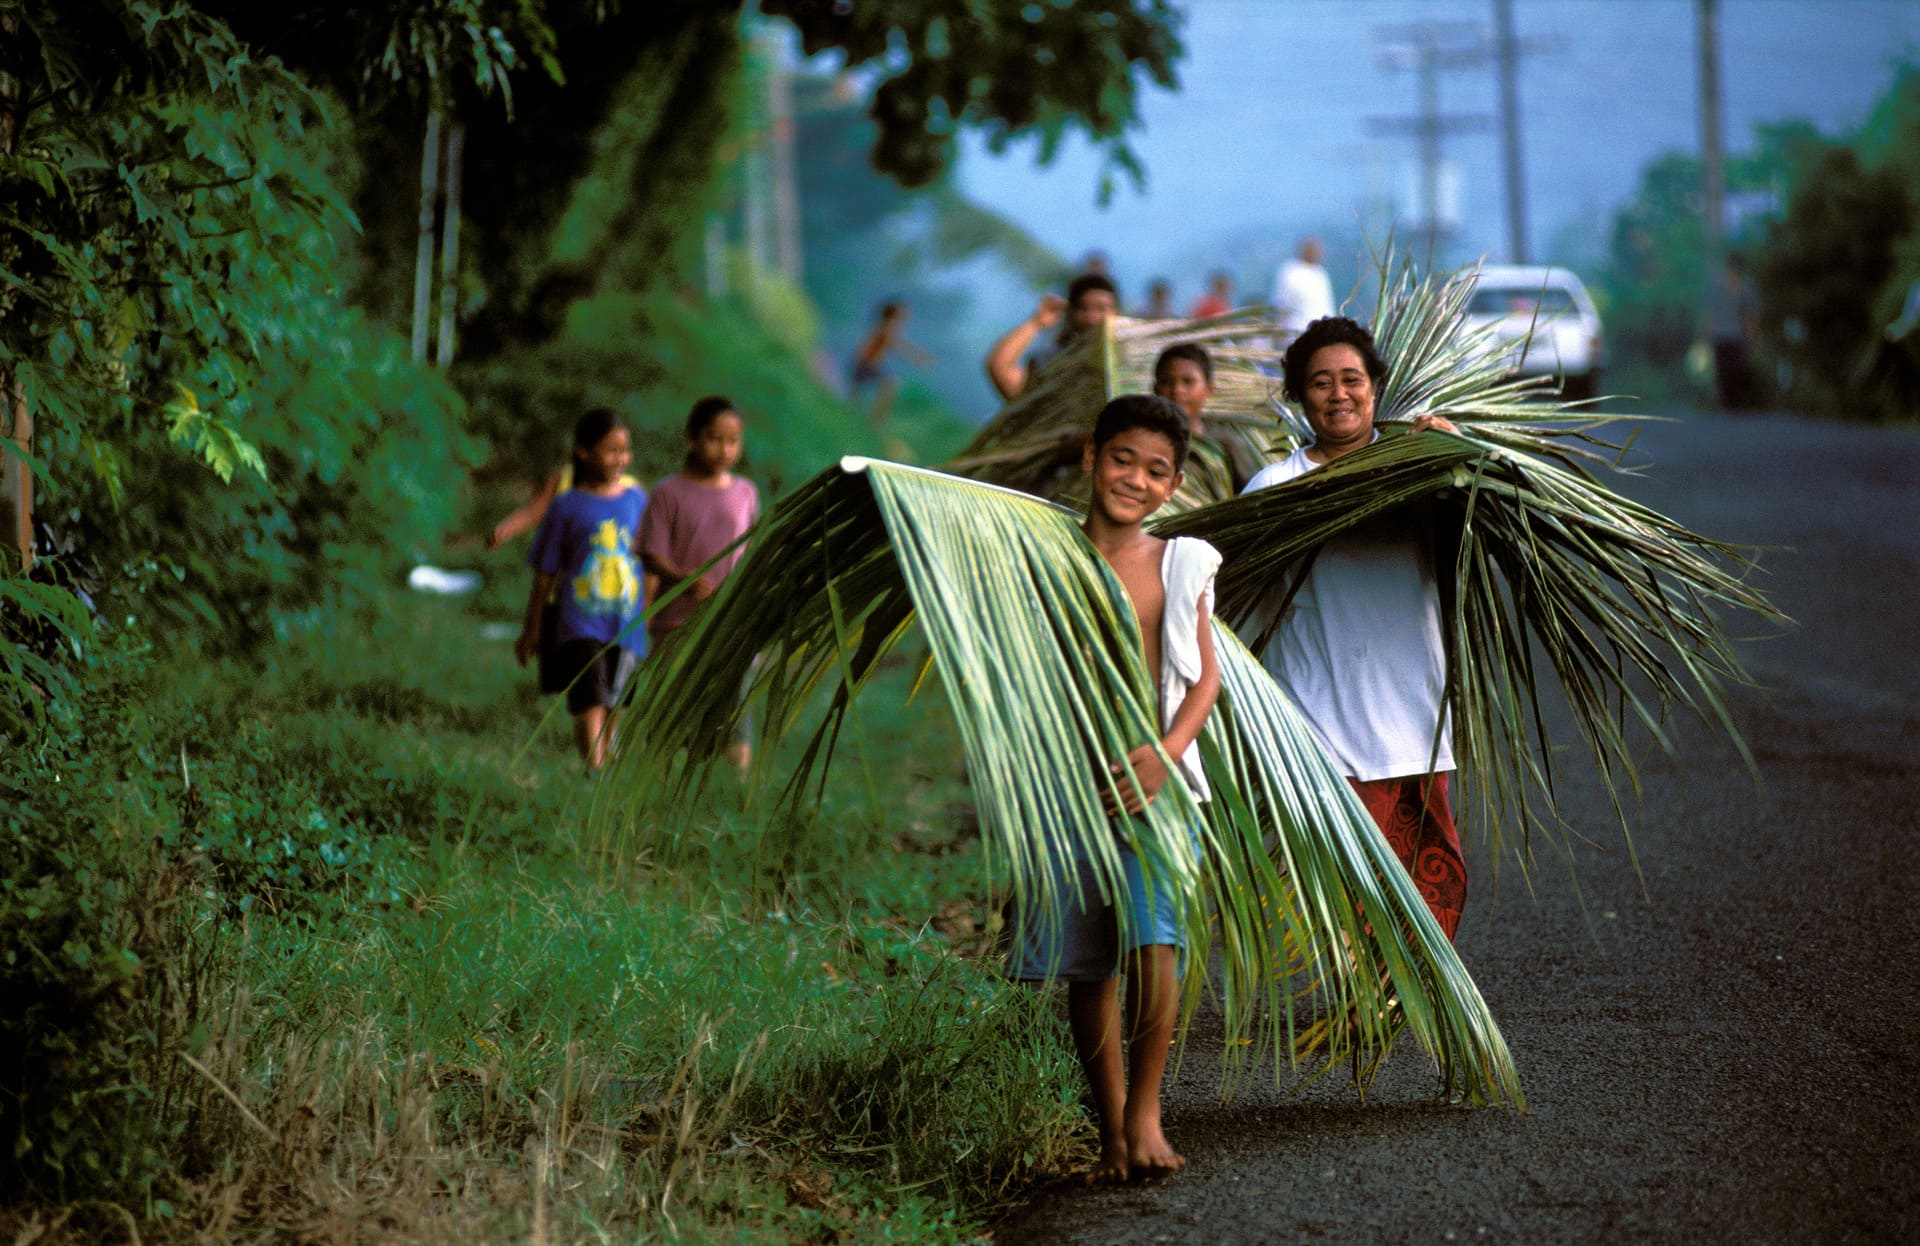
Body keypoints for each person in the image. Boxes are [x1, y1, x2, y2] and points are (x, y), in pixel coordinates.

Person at [1013, 394, 1222, 1184]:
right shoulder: (1042, 555)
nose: (1136, 479)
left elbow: (1204, 680)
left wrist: (1163, 756)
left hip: (1156, 780)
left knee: (1155, 939)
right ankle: (1108, 1133)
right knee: (1091, 964)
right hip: (1068, 783)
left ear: (1172, 486)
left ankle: (1146, 1112)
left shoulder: (1180, 560)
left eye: (1157, 470)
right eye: (1124, 459)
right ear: (1093, 456)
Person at [1239, 317, 1467, 940]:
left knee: (1423, 884)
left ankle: (1394, 1005)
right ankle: (1356, 1002)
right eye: (1320, 383)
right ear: (1297, 395)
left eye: (1351, 379)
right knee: (1341, 886)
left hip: (1411, 713)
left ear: (1376, 387)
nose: (1338, 394)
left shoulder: (1422, 472)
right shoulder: (1272, 489)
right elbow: (1243, 605)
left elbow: (1479, 531)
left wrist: (1451, 453)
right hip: (1316, 715)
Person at [514, 408, 648, 772]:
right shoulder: (566, 506)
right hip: (579, 622)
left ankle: (606, 757)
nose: (621, 459)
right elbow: (545, 572)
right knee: (589, 695)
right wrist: (533, 626)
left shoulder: (637, 500)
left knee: (615, 701)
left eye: (625, 450)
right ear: (583, 452)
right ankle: (595, 771)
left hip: (627, 622)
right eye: (611, 450)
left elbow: (650, 561)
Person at [638, 395, 761, 769]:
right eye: (714, 438)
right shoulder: (668, 493)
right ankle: (660, 785)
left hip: (732, 620)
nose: (724, 449)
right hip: (677, 624)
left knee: (734, 709)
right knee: (672, 708)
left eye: (733, 440)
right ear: (691, 437)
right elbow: (649, 552)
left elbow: (752, 551)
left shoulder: (744, 493)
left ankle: (735, 791)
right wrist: (683, 579)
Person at [984, 273, 1119, 400]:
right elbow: (1001, 368)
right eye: (1083, 308)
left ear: (1117, 313)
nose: (1092, 318)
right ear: (1070, 314)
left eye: (1101, 308)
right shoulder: (1052, 365)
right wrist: (1036, 322)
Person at [1153, 343, 1266, 494]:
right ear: (1155, 389)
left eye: (1188, 382)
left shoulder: (1225, 444)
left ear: (1209, 389)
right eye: (1167, 381)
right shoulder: (1145, 444)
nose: (1177, 390)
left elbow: (1255, 496)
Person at [849, 300, 933, 427]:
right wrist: (918, 358)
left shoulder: (888, 328)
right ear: (894, 314)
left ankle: (871, 418)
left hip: (867, 364)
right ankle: (875, 419)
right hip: (866, 364)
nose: (906, 315)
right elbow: (898, 346)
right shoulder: (886, 328)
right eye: (902, 312)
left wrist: (920, 356)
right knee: (890, 385)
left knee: (859, 394)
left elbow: (900, 344)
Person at [1271, 236, 1335, 347]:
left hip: (1321, 335)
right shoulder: (1290, 272)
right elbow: (1281, 305)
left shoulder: (1321, 274)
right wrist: (1279, 332)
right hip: (1296, 334)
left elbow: (1327, 307)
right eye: (1311, 249)